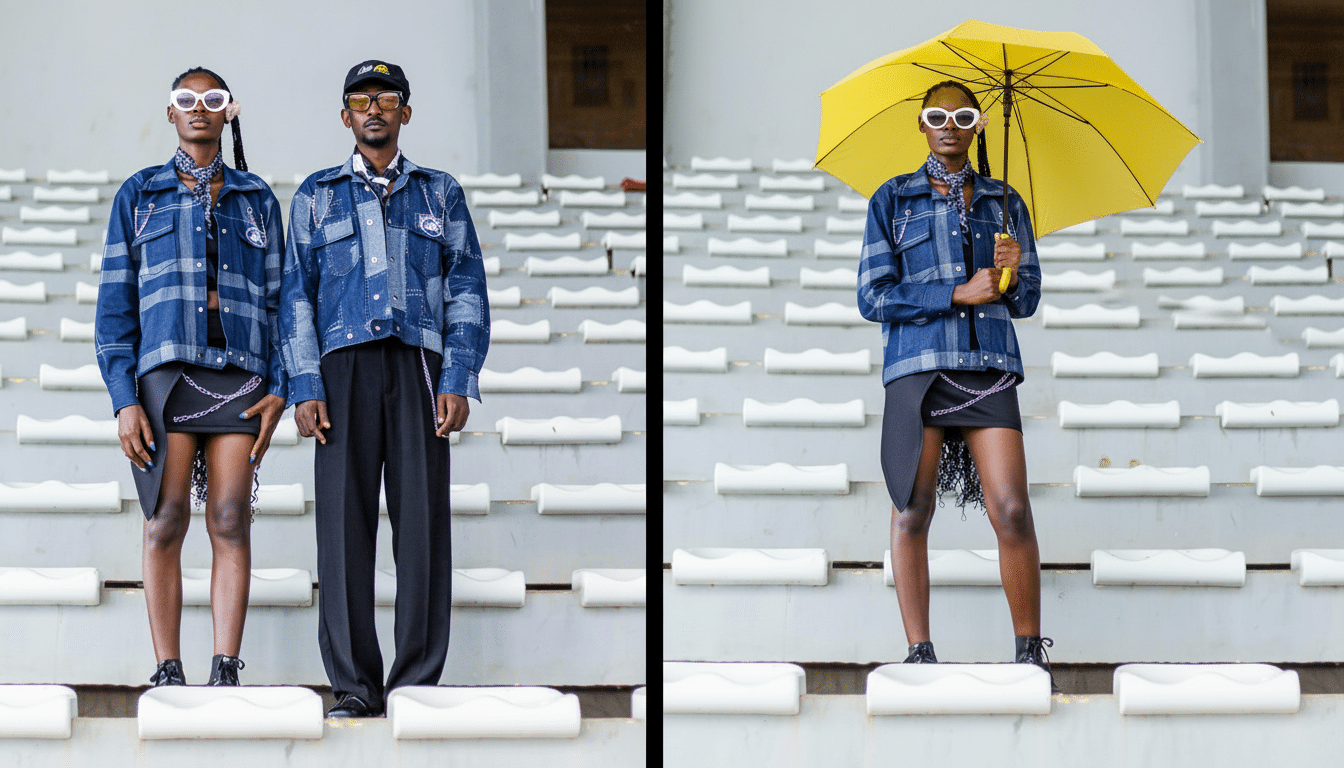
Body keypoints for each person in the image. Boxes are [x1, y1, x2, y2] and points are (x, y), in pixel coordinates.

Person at [280, 60, 490, 718]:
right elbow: (296, 299)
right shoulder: (315, 195)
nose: (375, 109)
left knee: (422, 528)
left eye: (388, 98)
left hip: (420, 367)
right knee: (343, 529)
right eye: (362, 100)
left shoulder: (440, 193)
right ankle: (353, 687)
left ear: (405, 111)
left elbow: (466, 289)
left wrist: (458, 374)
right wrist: (304, 383)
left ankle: (416, 684)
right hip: (341, 370)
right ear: (346, 116)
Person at [856, 80, 1054, 688]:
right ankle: (919, 652)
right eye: (936, 115)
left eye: (961, 115)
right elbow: (872, 296)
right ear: (921, 124)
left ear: (977, 125)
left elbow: (1027, 300)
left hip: (988, 364)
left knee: (1013, 508)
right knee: (912, 509)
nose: (949, 124)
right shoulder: (893, 199)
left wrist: (1010, 274)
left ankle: (1028, 654)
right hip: (918, 369)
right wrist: (954, 292)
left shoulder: (1004, 202)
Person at [96, 66, 288, 687]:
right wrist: (125, 399)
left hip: (239, 374)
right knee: (167, 517)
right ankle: (168, 669)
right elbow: (115, 309)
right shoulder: (139, 194)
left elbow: (283, 301)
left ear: (228, 111)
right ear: (172, 113)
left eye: (212, 99)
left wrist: (281, 384)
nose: (199, 108)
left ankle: (226, 667)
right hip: (167, 377)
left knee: (230, 516)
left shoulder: (257, 197)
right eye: (187, 99)